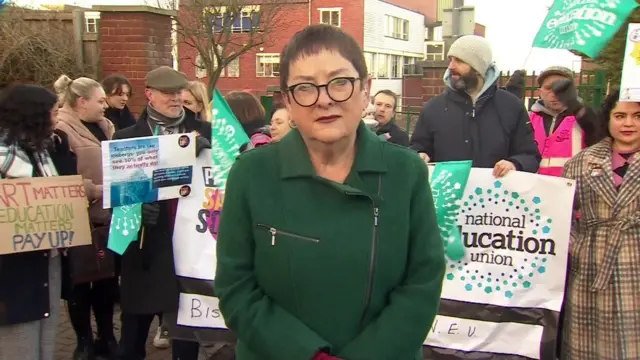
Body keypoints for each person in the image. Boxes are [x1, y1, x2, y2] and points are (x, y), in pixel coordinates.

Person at [215, 24, 445, 360]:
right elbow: (235, 288)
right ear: (288, 100)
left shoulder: (405, 173)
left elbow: (423, 283)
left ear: (365, 90)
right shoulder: (251, 173)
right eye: (305, 87)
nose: (324, 100)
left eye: (340, 83)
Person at [114, 66, 212, 360]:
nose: (176, 98)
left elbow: (222, 188)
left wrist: (212, 159)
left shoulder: (205, 133)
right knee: (132, 339)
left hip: (189, 252)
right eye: (168, 93)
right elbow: (117, 203)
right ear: (149, 95)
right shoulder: (127, 138)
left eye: (179, 92)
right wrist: (136, 207)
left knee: (186, 343)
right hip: (144, 250)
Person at [561, 90, 640, 360]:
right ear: (608, 119)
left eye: (637, 116)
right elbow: (561, 216)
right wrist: (578, 247)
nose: (628, 123)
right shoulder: (581, 163)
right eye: (620, 116)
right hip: (592, 271)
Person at [410, 35, 540, 177]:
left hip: (494, 195)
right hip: (447, 195)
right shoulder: (433, 108)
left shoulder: (511, 106)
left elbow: (530, 156)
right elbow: (417, 147)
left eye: (459, 61)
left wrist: (514, 163)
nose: (451, 67)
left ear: (478, 67)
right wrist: (419, 155)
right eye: (451, 60)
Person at [54, 75, 118, 360]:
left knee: (106, 281)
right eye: (100, 100)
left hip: (107, 216)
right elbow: (59, 178)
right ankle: (83, 341)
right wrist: (96, 189)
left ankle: (107, 335)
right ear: (82, 102)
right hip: (81, 217)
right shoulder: (61, 129)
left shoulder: (107, 126)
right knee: (79, 283)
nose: (105, 106)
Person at [0, 84, 63, 360]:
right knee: (19, 345)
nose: (58, 116)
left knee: (45, 342)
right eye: (54, 111)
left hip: (45, 259)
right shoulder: (4, 157)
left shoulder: (40, 151)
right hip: (12, 270)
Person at [530, 66, 603, 177]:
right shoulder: (529, 118)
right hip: (535, 189)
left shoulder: (584, 117)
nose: (554, 93)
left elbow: (599, 137)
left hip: (573, 189)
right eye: (549, 88)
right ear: (539, 92)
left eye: (562, 88)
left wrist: (574, 105)